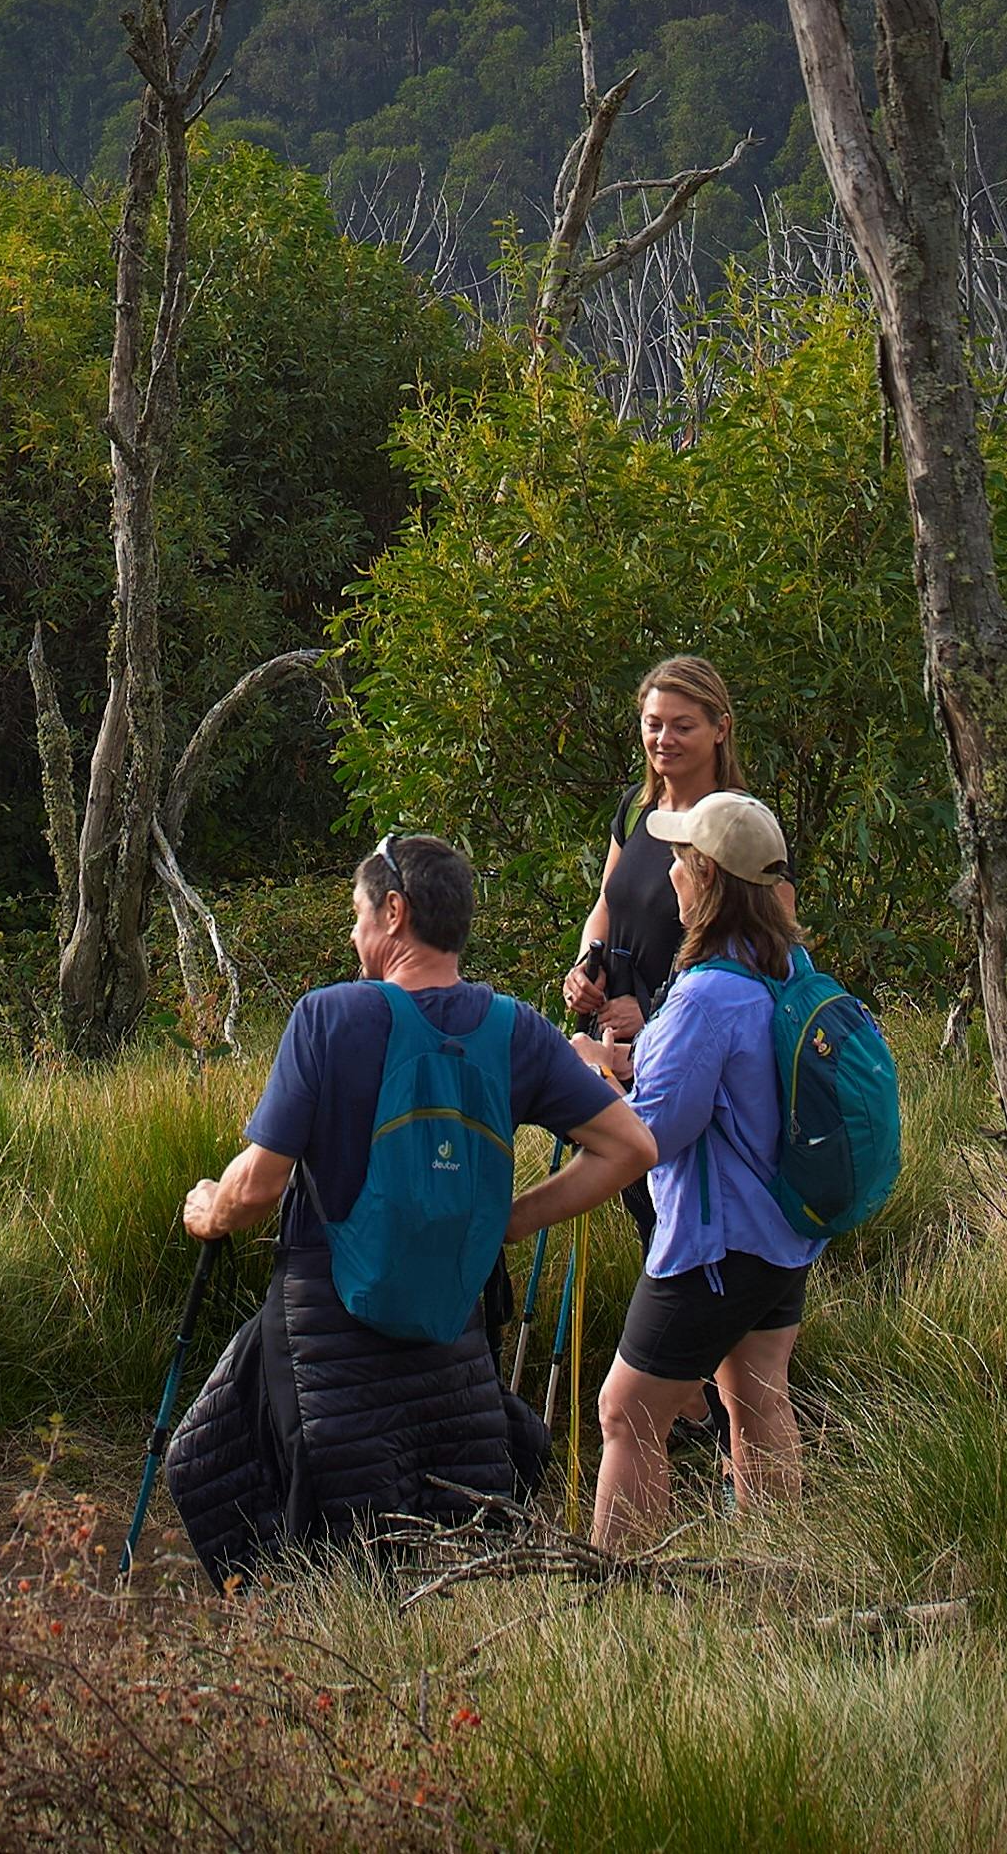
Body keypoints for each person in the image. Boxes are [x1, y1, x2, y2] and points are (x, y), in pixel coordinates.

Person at [156, 833, 650, 1577]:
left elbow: (256, 1186)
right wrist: (508, 1222)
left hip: (328, 1323)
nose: (354, 934)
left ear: (394, 911)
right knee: (441, 1516)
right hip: (453, 1329)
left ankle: (304, 1648)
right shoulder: (516, 1028)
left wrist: (208, 1209)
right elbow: (630, 1147)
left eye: (358, 914)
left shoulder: (330, 1018)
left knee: (208, 1461)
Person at [595, 788, 817, 1551]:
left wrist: (600, 1081)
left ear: (703, 878)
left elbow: (652, 1133)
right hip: (785, 1231)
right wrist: (629, 1060)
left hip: (713, 1244)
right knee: (758, 1398)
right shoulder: (787, 965)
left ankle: (615, 1599)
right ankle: (775, 1572)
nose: (671, 876)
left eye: (681, 860)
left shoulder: (703, 996)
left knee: (626, 1412)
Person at [562, 657, 743, 1063]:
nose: (665, 739)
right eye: (653, 724)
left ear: (720, 729)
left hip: (685, 1052)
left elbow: (761, 954)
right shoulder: (635, 807)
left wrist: (654, 1012)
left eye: (683, 727)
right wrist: (582, 972)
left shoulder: (738, 824)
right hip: (606, 1042)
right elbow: (606, 904)